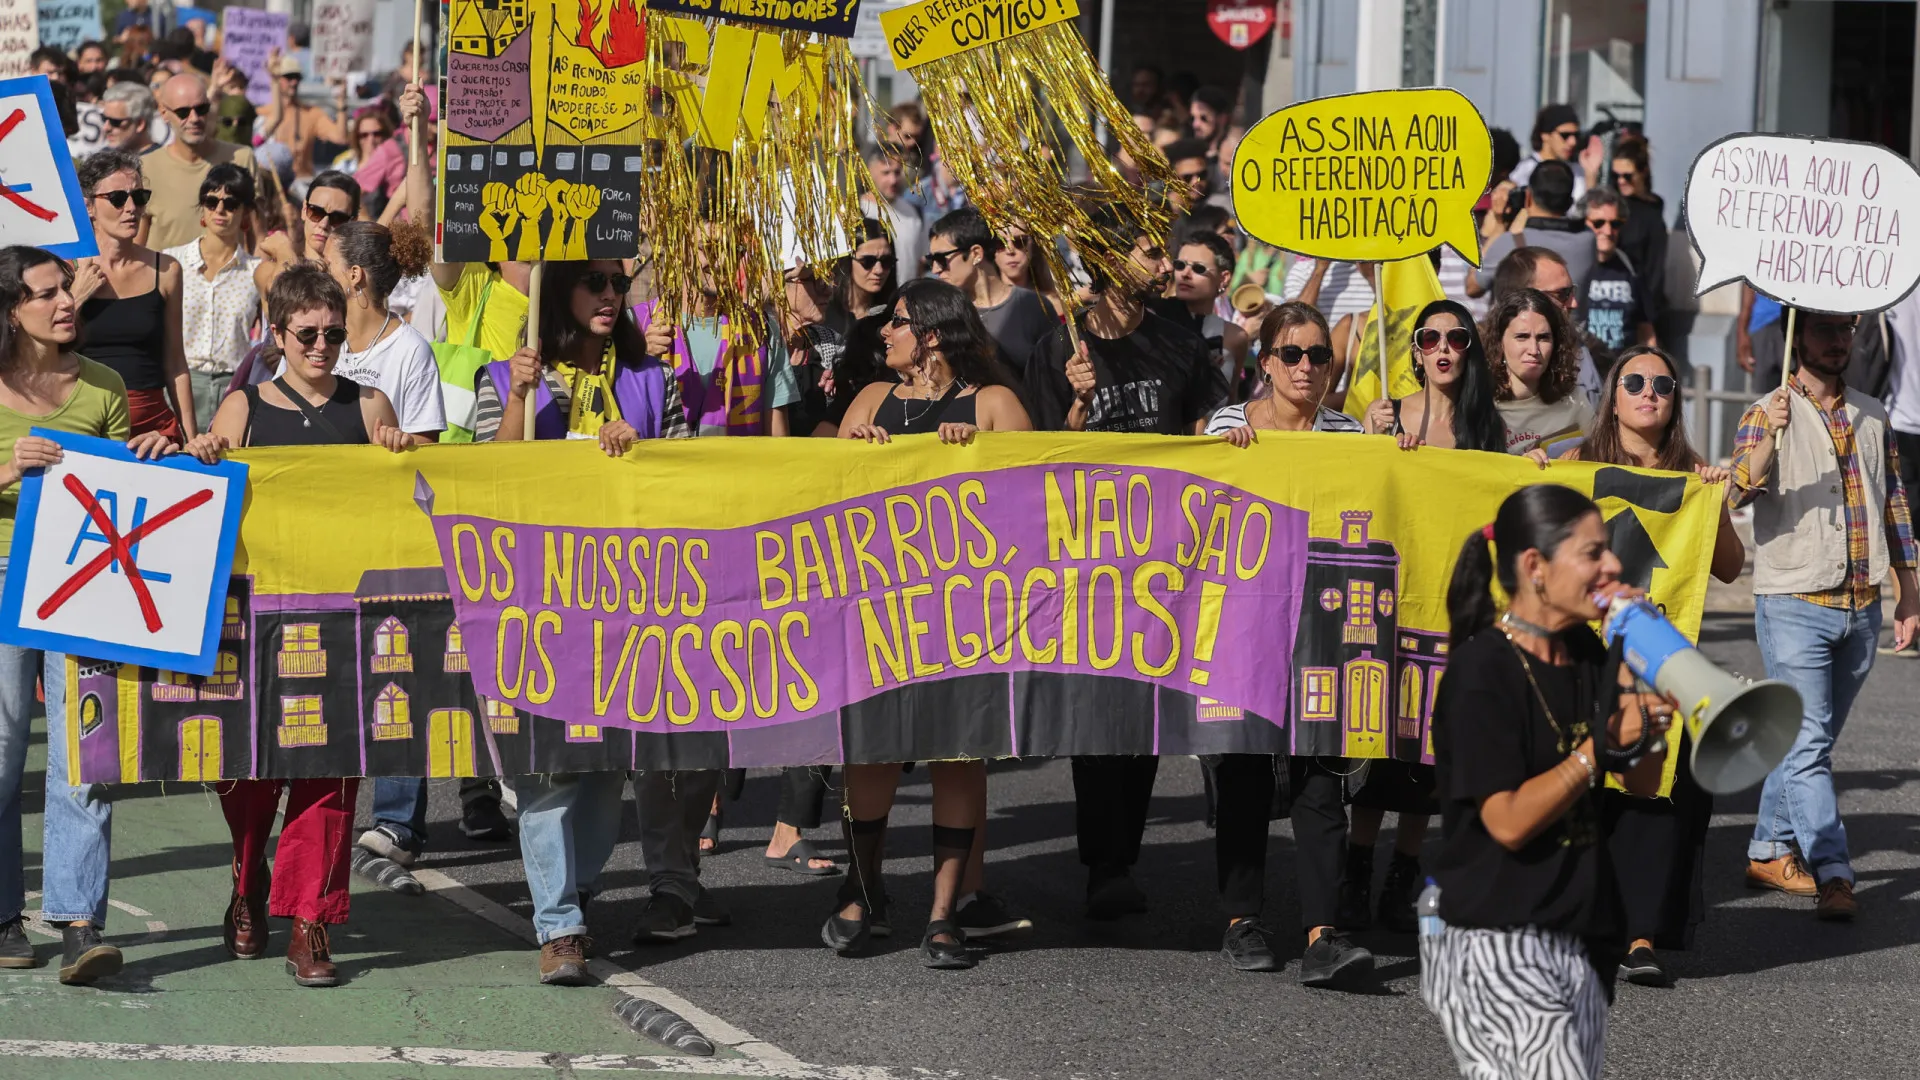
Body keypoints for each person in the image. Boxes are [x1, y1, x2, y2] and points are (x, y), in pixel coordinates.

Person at [180, 265, 412, 988]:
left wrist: (403, 453)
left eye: (334, 334)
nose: (321, 346)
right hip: (258, 618)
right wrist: (205, 455)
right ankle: (249, 877)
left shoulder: (369, 404)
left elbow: (412, 497)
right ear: (276, 334)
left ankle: (311, 919)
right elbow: (207, 497)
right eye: (307, 333)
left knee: (330, 772)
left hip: (345, 618)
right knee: (250, 772)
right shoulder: (243, 406)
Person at [480, 260, 691, 983]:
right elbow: (488, 478)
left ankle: (575, 889)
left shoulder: (653, 378)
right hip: (537, 597)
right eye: (593, 282)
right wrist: (519, 396)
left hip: (631, 599)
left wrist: (643, 455)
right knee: (549, 765)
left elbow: (689, 477)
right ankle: (560, 923)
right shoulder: (506, 375)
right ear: (559, 290)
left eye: (618, 285)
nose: (610, 295)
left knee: (604, 769)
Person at [1423, 484, 1673, 1079]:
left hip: (1580, 932)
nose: (1612, 566)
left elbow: (1642, 781)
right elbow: (1507, 821)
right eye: (1592, 553)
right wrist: (1598, 747)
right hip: (1497, 937)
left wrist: (1643, 675)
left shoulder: (1584, 650)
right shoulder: (1482, 669)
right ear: (1535, 566)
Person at [1026, 208, 1227, 918]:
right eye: (1150, 251)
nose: (1166, 265)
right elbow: (1035, 459)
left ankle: (1121, 857)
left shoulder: (1179, 343)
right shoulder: (1059, 347)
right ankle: (1102, 863)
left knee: (1144, 713)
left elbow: (1207, 430)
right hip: (1086, 563)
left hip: (1164, 561)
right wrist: (1078, 407)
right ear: (1109, 259)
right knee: (1095, 714)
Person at [826, 279, 1033, 969]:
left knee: (957, 752)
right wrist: (851, 451)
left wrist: (981, 455)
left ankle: (944, 912)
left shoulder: (994, 404)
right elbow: (818, 497)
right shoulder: (870, 399)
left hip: (965, 616)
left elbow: (1038, 502)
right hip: (877, 610)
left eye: (898, 322)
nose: (884, 332)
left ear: (933, 335)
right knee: (871, 751)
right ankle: (863, 891)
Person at [0, 246, 178, 985]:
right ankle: (4, 917)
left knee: (84, 754)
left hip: (83, 583)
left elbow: (120, 490)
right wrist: (10, 467)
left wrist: (155, 452)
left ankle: (80, 924)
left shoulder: (104, 384)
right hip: (4, 576)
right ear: (12, 311)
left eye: (64, 289)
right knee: (3, 753)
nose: (66, 301)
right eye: (46, 294)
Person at [1204, 301, 1376, 988]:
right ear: (1265, 362)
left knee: (1321, 775)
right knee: (1245, 770)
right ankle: (1241, 919)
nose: (1307, 366)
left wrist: (1395, 454)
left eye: (1319, 355)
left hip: (1322, 621)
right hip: (1244, 622)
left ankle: (1322, 933)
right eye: (1292, 354)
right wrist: (1222, 456)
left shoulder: (1350, 432)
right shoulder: (1227, 424)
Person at [1560, 346, 1743, 987]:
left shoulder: (1694, 475)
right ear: (1612, 395)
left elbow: (1729, 567)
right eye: (1634, 382)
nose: (1648, 393)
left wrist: (1714, 501)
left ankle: (1639, 936)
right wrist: (1535, 475)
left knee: (1652, 794)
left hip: (1659, 663)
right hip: (1584, 656)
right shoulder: (1576, 464)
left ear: (1675, 402)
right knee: (1583, 787)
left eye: (1662, 385)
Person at [1729, 308, 1920, 921]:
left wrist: (1909, 591)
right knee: (1809, 744)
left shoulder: (1873, 412)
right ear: (1798, 335)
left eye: (1845, 330)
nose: (1837, 341)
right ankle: (1835, 871)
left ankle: (1767, 848)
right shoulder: (1765, 411)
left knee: (1808, 743)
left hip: (1861, 606)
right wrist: (1768, 437)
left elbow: (1894, 504)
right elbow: (1735, 492)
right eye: (1823, 329)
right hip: (1794, 602)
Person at [74, 149, 195, 440]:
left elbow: (175, 363)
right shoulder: (66, 270)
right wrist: (75, 298)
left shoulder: (166, 270)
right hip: (85, 421)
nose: (131, 208)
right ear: (88, 206)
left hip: (152, 425)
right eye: (117, 198)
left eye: (139, 197)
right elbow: (41, 352)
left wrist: (192, 438)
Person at [317, 221, 443, 443]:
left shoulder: (411, 350)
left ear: (354, 274)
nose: (319, 274)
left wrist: (394, 442)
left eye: (327, 266)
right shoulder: (313, 336)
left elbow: (427, 442)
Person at [163, 162, 260, 429]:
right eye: (211, 201)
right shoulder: (172, 261)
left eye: (231, 203)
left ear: (245, 211)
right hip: (178, 384)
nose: (219, 210)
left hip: (235, 387)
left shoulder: (256, 271)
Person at [1363, 299, 1507, 453]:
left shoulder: (1489, 425)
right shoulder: (1382, 414)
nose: (1443, 347)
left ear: (1468, 353)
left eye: (1456, 339)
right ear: (1417, 354)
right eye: (1431, 339)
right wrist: (1380, 440)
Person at [140, 73, 258, 252]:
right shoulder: (147, 167)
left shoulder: (241, 158)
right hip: (164, 270)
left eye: (201, 109)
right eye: (183, 112)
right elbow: (136, 245)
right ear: (164, 113)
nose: (194, 118)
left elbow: (257, 234)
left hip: (229, 270)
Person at [926, 208, 1053, 374]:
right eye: (931, 260)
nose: (935, 269)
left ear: (976, 254)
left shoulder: (1032, 306)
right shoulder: (945, 316)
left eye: (941, 259)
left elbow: (1057, 373)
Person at [1486, 287, 1592, 457]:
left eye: (1543, 338)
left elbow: (1603, 454)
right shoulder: (1480, 405)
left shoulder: (1574, 400)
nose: (1534, 350)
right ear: (1500, 343)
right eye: (1522, 336)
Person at [1473, 160, 1596, 300]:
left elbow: (1473, 287)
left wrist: (1500, 226)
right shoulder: (1588, 239)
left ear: (1528, 197)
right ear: (1570, 202)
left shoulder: (1509, 244)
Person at [1155, 231, 1249, 395]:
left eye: (1198, 268)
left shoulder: (1235, 338)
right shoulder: (1155, 319)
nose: (1185, 274)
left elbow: (1231, 399)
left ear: (1224, 278)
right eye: (1180, 265)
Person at [1577, 189, 1657, 365]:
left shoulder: (1632, 268)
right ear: (1583, 222)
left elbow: (1646, 330)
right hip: (1581, 368)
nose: (1607, 231)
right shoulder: (1574, 265)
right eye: (1598, 223)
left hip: (1622, 369)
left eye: (1615, 224)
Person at [254, 170, 360, 296]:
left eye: (337, 218)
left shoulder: (354, 278)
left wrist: (284, 250)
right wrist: (285, 251)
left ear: (352, 222)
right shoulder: (269, 269)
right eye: (316, 212)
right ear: (304, 209)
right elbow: (282, 294)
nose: (323, 224)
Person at [259, 54, 350, 189]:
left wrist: (341, 102)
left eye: (297, 77)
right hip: (271, 185)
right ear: (277, 78)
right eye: (289, 77)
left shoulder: (312, 113)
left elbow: (341, 137)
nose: (294, 82)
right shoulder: (262, 113)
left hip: (302, 183)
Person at [1607, 136, 1667, 325]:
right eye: (1615, 175)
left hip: (1637, 307)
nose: (1621, 181)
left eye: (1627, 176)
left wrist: (1647, 317)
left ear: (1643, 172)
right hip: (1606, 297)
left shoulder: (1651, 214)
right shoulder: (1611, 205)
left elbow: (1654, 270)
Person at [864, 149, 927, 284]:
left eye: (897, 172)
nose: (893, 180)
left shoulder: (912, 212)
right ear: (869, 173)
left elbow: (919, 263)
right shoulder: (858, 212)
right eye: (886, 173)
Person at [1505, 103, 1587, 204]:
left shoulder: (1578, 172)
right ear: (1545, 135)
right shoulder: (1525, 171)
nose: (1573, 142)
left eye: (1576, 135)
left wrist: (1591, 174)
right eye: (1565, 135)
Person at [995, 227, 1063, 318]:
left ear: (1033, 246)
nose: (1010, 250)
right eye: (1000, 243)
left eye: (1020, 241)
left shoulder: (1060, 305)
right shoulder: (982, 310)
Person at [1164, 138, 1230, 211]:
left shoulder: (1221, 205)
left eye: (1202, 175)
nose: (1196, 181)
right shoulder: (1159, 209)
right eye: (1188, 177)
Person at [98, 81, 157, 156]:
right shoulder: (102, 157)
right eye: (104, 118)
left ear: (140, 124)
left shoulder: (162, 160)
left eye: (115, 122)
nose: (106, 128)